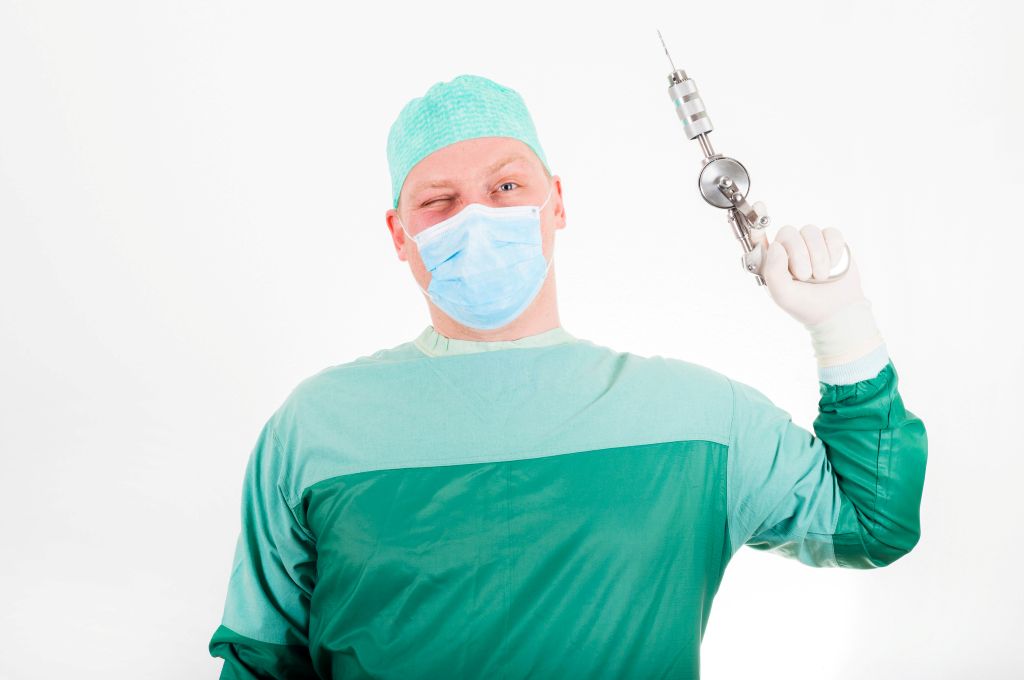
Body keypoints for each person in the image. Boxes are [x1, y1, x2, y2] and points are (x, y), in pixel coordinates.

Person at [208, 74, 928, 679]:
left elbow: (873, 523)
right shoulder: (317, 431)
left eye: (506, 185)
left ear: (557, 203)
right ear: (401, 234)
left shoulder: (701, 420)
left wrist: (843, 326)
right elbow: (259, 664)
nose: (476, 217)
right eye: (438, 200)